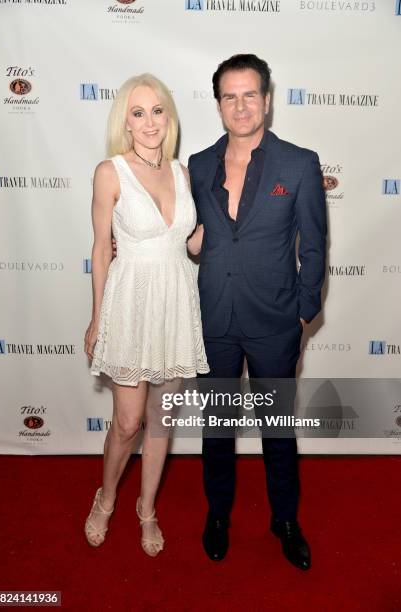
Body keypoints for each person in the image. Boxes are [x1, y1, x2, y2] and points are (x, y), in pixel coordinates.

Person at [188, 54, 327, 570]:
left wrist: (301, 313)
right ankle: (218, 514)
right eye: (230, 96)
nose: (241, 105)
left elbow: (314, 247)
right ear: (219, 104)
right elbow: (194, 237)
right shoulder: (199, 165)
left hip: (275, 323)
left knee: (278, 430)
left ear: (267, 100)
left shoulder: (299, 163)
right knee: (218, 428)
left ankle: (285, 520)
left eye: (250, 94)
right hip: (215, 321)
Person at [83, 73, 209, 556]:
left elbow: (192, 241)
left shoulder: (184, 173)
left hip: (176, 300)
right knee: (128, 422)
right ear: (126, 122)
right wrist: (97, 319)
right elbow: (99, 250)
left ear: (168, 117)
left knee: (161, 421)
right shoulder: (109, 172)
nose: (149, 121)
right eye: (138, 113)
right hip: (130, 301)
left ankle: (147, 509)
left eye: (157, 110)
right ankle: (107, 496)